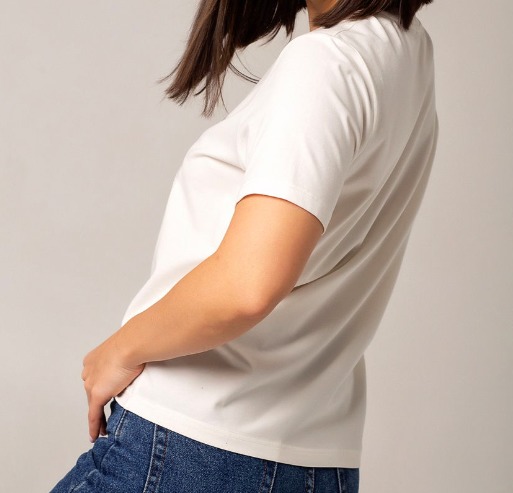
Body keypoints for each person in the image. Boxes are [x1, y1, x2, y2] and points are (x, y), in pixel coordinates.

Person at [50, 0, 438, 491]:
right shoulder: (407, 51)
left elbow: (248, 285)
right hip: (316, 461)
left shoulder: (326, 64)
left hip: (193, 446)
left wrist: (119, 350)